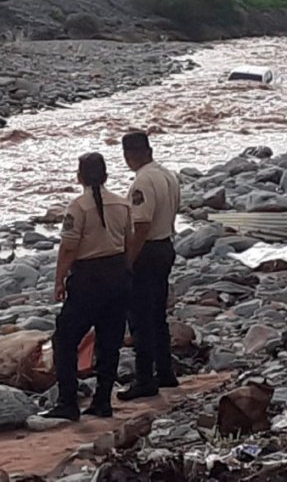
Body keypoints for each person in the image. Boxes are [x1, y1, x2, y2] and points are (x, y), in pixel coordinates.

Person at [41, 153, 134, 421]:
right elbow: (128, 242)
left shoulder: (78, 207)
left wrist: (59, 280)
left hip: (88, 279)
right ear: (105, 175)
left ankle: (68, 401)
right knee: (110, 341)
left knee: (65, 338)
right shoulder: (122, 204)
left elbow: (69, 247)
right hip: (117, 276)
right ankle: (103, 400)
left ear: (80, 175)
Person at [118, 132, 181, 401]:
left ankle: (145, 379)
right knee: (157, 314)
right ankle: (165, 372)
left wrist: (128, 260)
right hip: (165, 244)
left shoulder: (142, 182)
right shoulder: (168, 175)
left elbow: (141, 225)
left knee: (141, 318)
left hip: (148, 251)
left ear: (129, 155)